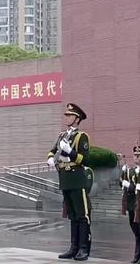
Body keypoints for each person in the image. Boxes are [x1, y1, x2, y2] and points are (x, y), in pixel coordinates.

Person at [46, 103, 93, 261]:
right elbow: (52, 150)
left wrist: (70, 151)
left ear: (77, 119)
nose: (67, 117)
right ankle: (73, 248)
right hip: (65, 179)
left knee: (82, 215)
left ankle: (83, 248)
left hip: (77, 179)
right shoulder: (62, 136)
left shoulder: (81, 137)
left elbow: (84, 159)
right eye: (66, 115)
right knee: (72, 216)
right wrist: (50, 158)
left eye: (70, 115)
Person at [121, 146, 140, 264]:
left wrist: (130, 186)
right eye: (134, 155)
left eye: (139, 155)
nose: (136, 157)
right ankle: (137, 255)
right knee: (136, 231)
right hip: (132, 204)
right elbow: (123, 183)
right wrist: (123, 174)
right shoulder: (130, 170)